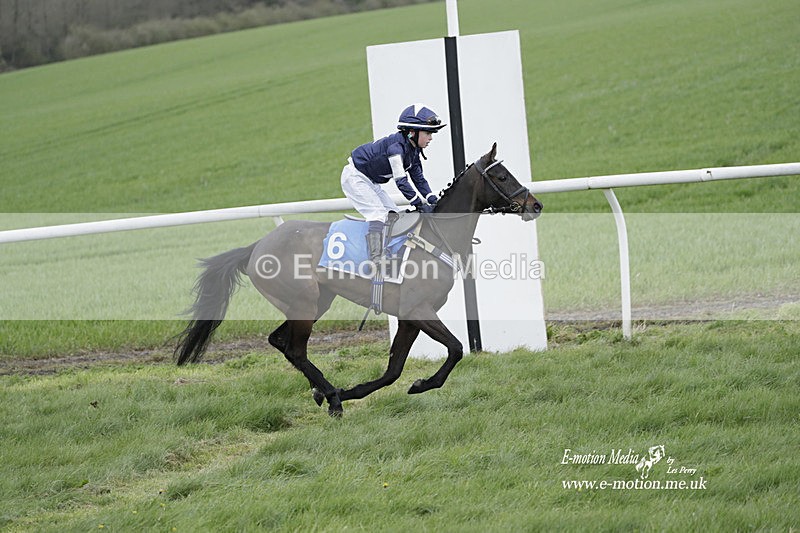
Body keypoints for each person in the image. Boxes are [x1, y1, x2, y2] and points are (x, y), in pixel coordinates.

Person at [341, 103, 446, 264]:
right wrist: (418, 204)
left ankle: (388, 251)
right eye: (428, 133)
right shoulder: (396, 149)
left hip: (371, 181)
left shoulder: (413, 150)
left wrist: (433, 200)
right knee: (378, 215)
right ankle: (375, 258)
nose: (431, 138)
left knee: (394, 215)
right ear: (412, 132)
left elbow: (418, 178)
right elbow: (401, 181)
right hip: (355, 177)